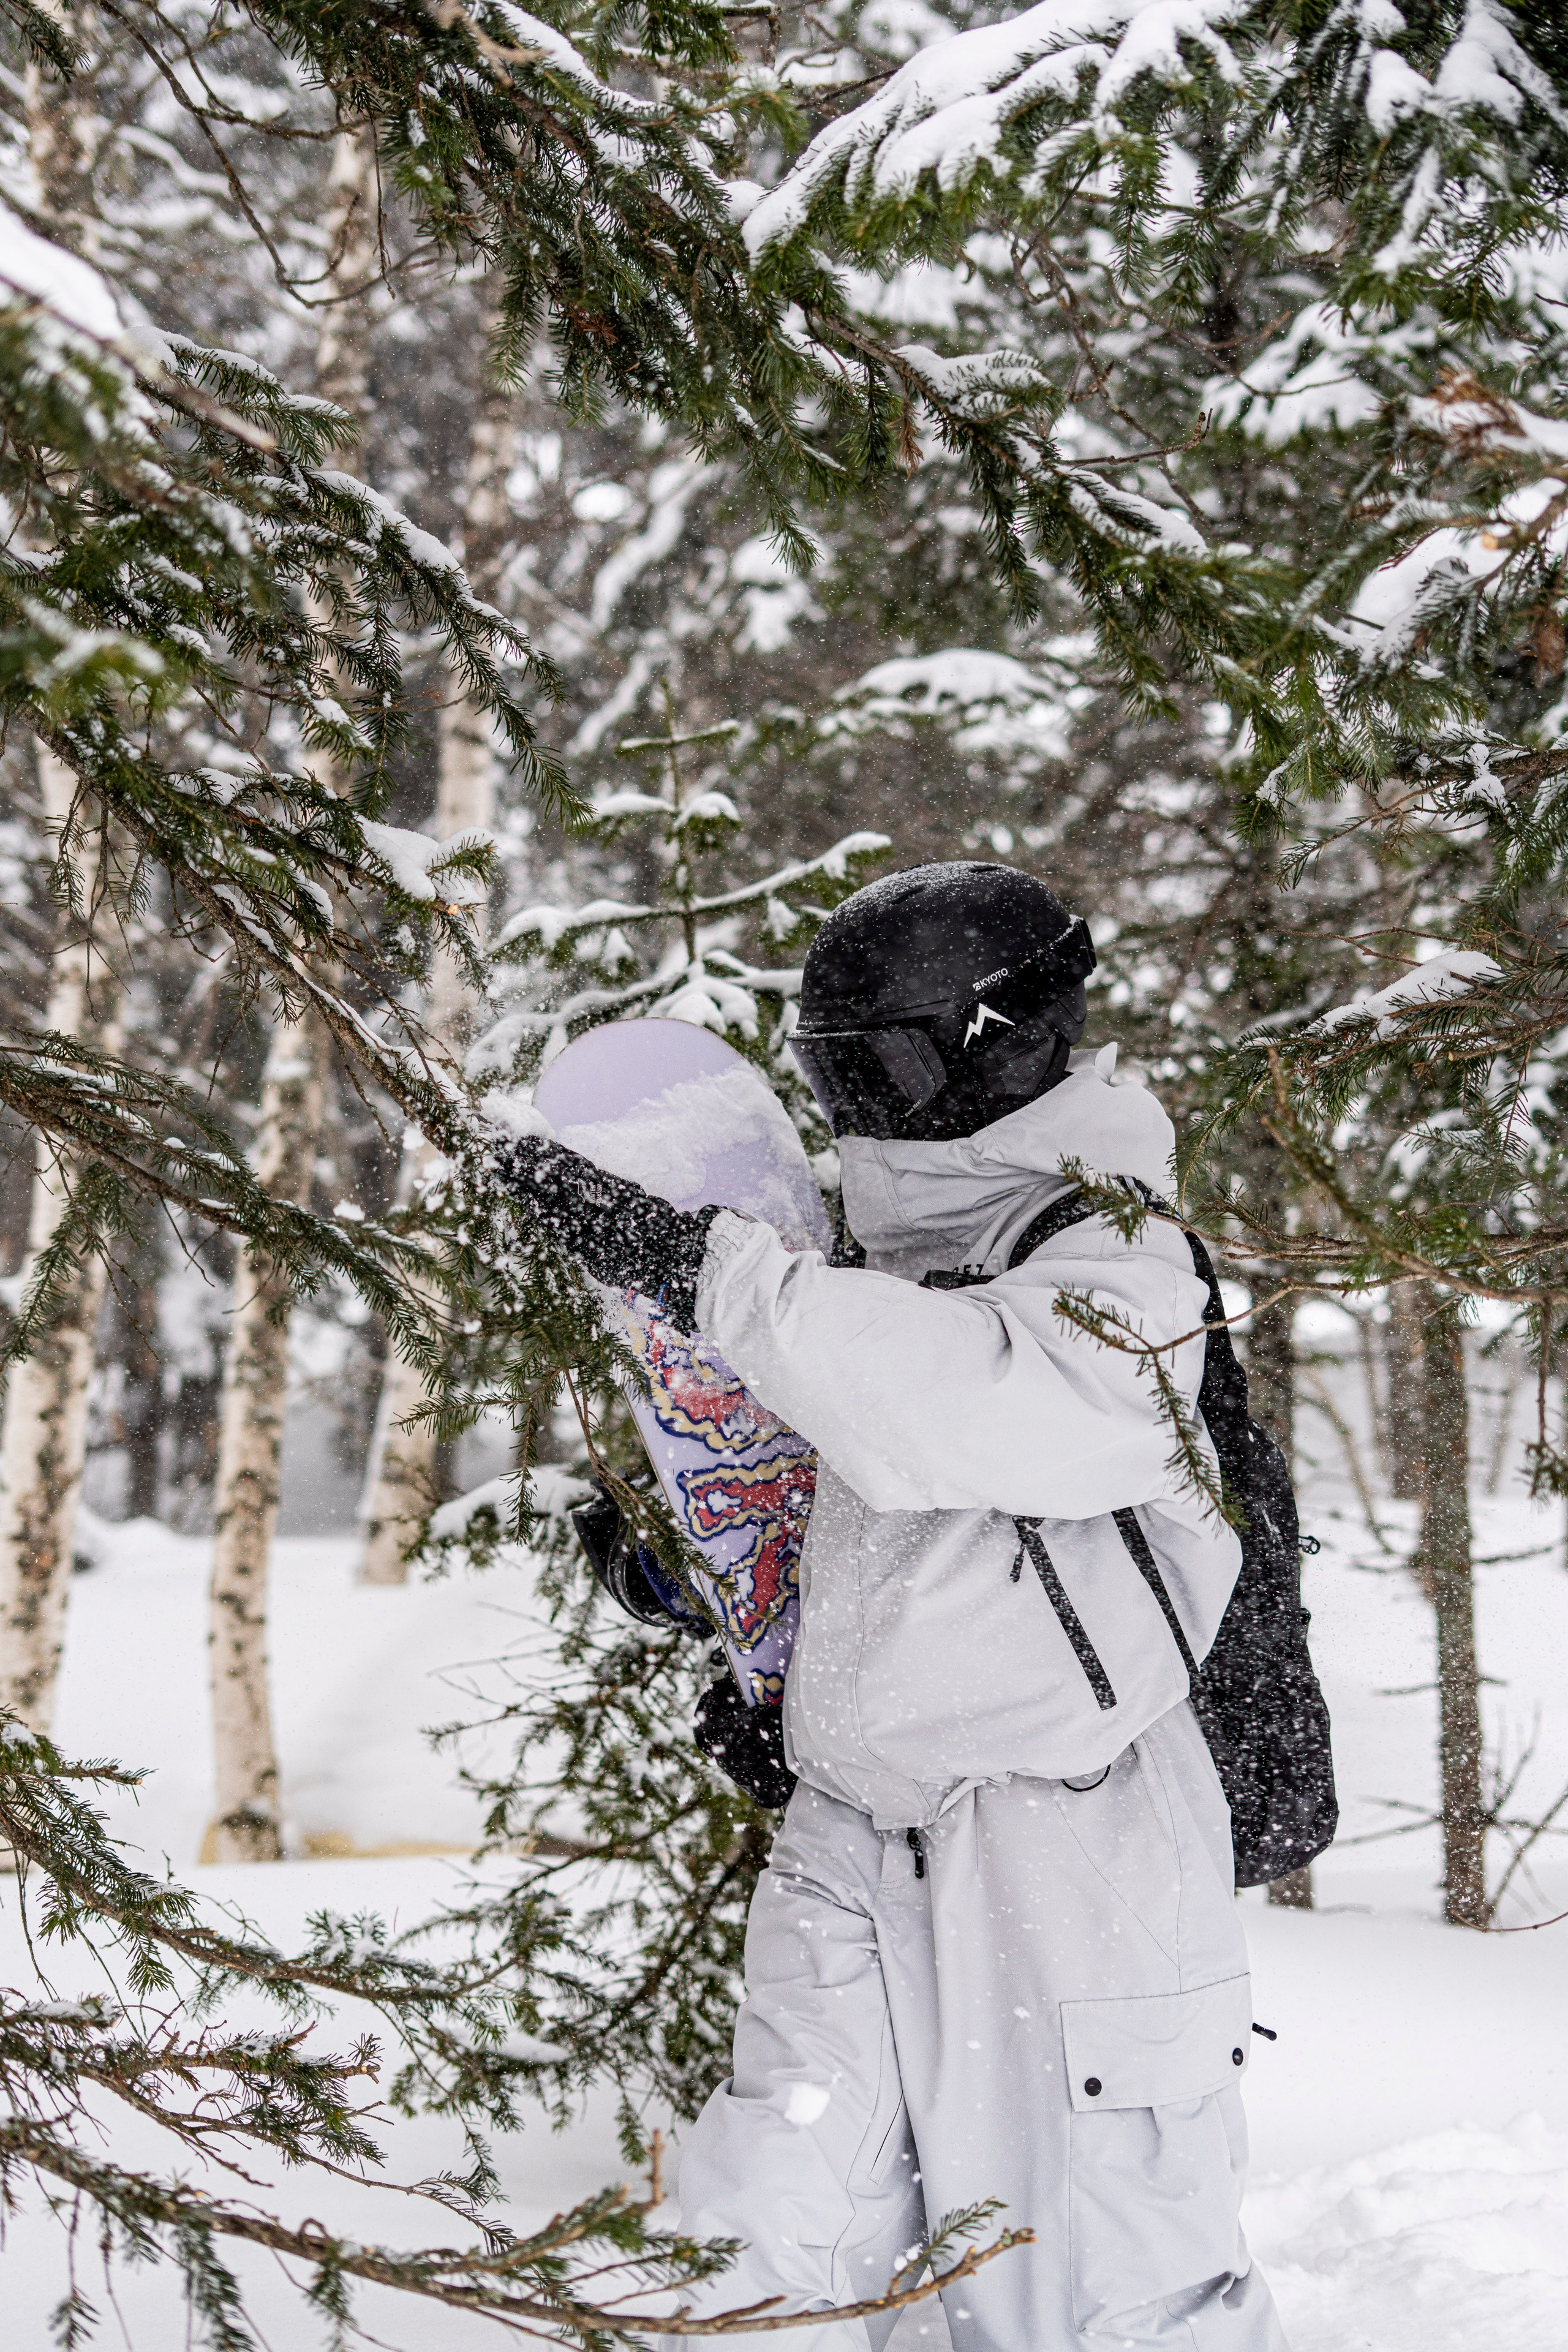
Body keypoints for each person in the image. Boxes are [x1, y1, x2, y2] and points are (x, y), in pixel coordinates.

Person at [492, 862, 1287, 2352]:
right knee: (784, 2222)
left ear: (1004, 1039)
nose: (860, 1102)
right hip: (849, 1819)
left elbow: (974, 1409)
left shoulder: (1118, 1257)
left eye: (886, 1065)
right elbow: (861, 1496)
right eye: (831, 1069)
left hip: (1071, 1838)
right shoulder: (853, 1275)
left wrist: (699, 1268)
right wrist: (721, 1592)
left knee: (1100, 2276)